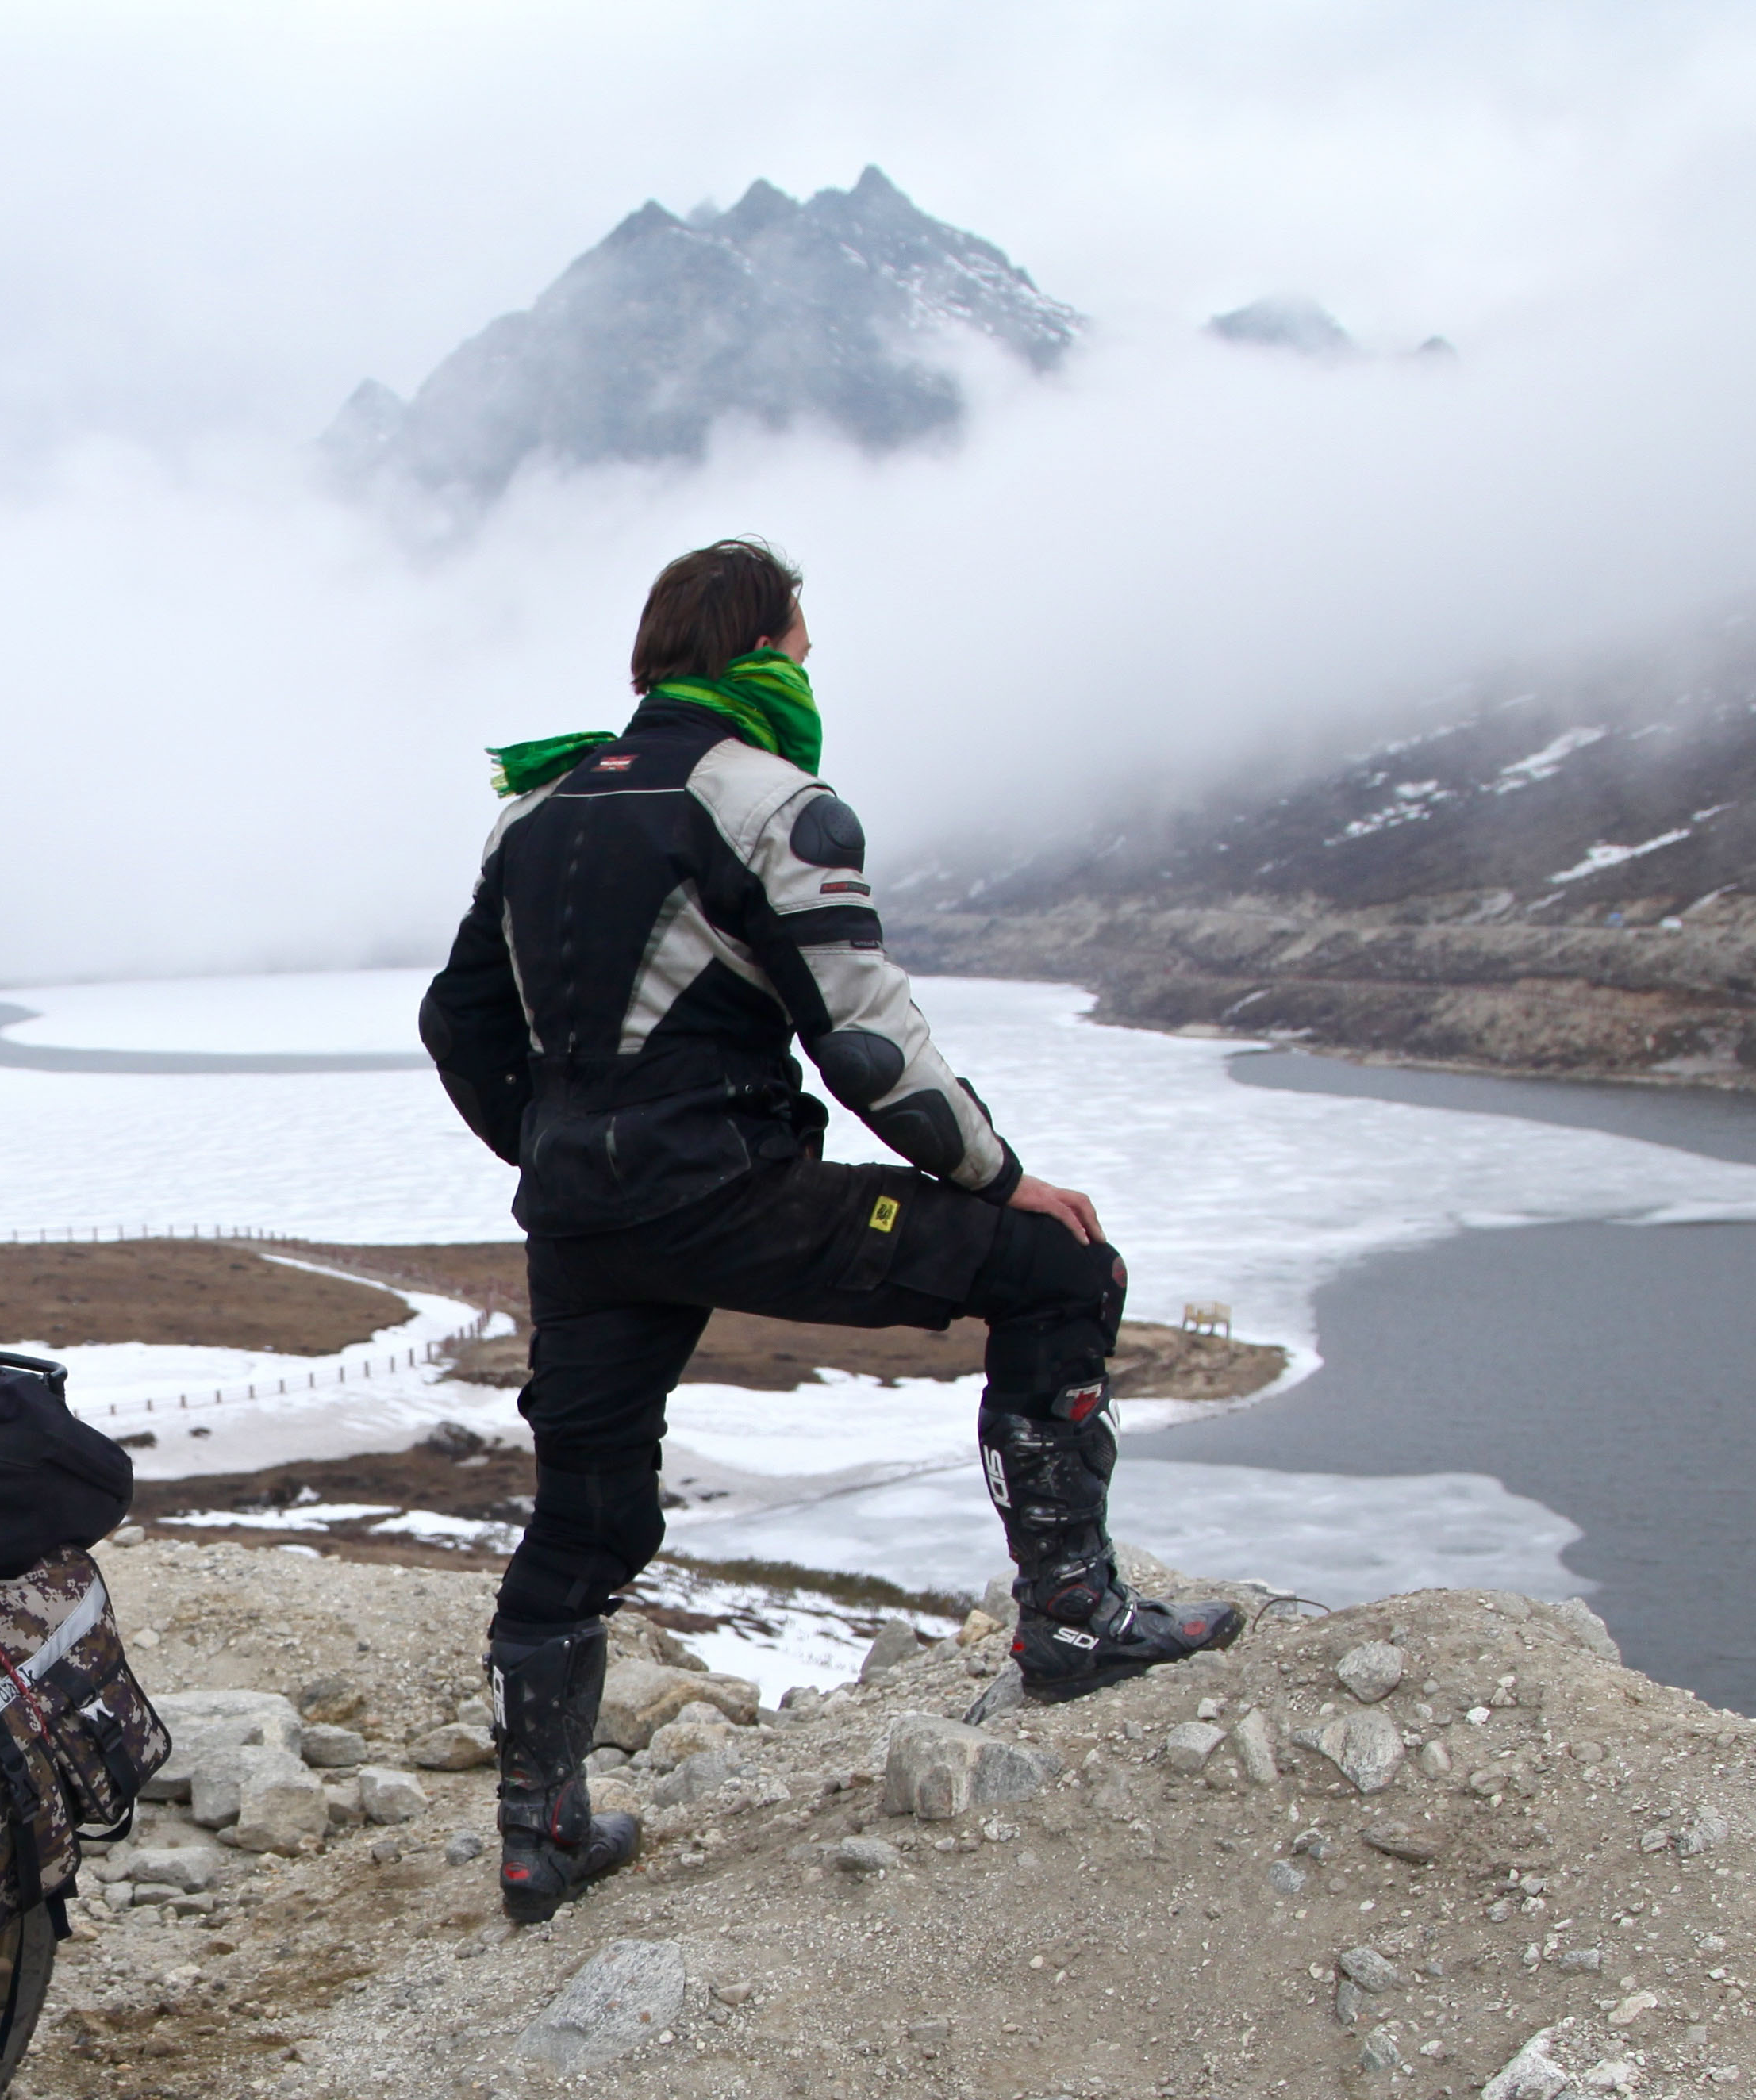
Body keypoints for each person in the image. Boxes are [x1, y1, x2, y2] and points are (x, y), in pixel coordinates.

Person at [421, 536, 1243, 1925]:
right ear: (757, 654)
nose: (809, 672)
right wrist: (998, 1177)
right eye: (801, 648)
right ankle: (1074, 1618)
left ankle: (538, 1836)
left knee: (587, 1516)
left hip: (582, 1220)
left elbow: (459, 1020)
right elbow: (866, 1042)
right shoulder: (773, 804)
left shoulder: (536, 807)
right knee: (1060, 1270)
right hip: (735, 1194)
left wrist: (558, 1150)